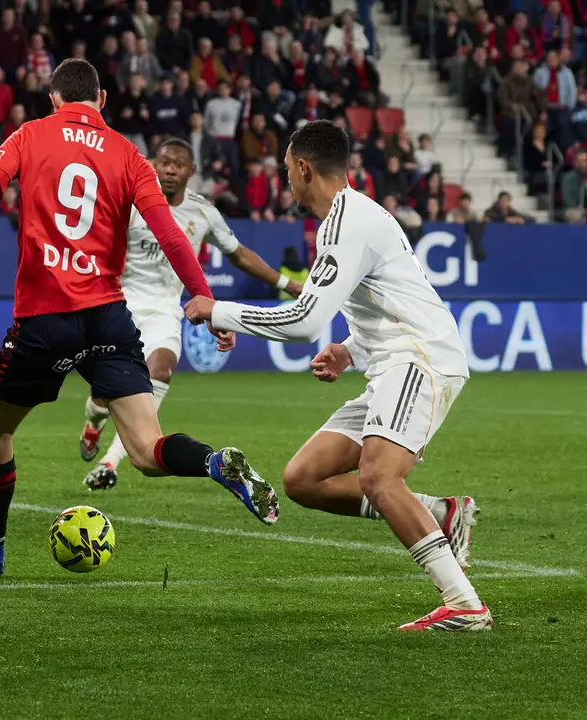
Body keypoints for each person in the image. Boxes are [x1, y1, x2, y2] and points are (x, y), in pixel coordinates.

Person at [0, 59, 280, 579]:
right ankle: (213, 463)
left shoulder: (30, 135)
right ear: (102, 99)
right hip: (109, 317)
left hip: (45, 319)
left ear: (53, 98)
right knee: (147, 450)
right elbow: (173, 236)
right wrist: (205, 299)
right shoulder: (130, 155)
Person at [185, 120, 489, 631]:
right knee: (304, 478)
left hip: (421, 360)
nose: (285, 179)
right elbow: (392, 300)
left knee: (379, 476)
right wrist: (350, 349)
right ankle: (441, 515)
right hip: (394, 361)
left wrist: (219, 311)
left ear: (304, 168)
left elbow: (304, 321)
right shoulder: (348, 217)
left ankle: (464, 604)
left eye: (287, 169)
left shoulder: (348, 223)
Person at [79, 139, 303, 491]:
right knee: (102, 395)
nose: (170, 170)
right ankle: (94, 422)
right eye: (164, 162)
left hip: (165, 311)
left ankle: (111, 461)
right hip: (120, 304)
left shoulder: (202, 213)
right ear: (153, 164)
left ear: (191, 171)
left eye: (178, 164)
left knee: (161, 370)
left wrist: (288, 285)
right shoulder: (130, 202)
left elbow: (239, 254)